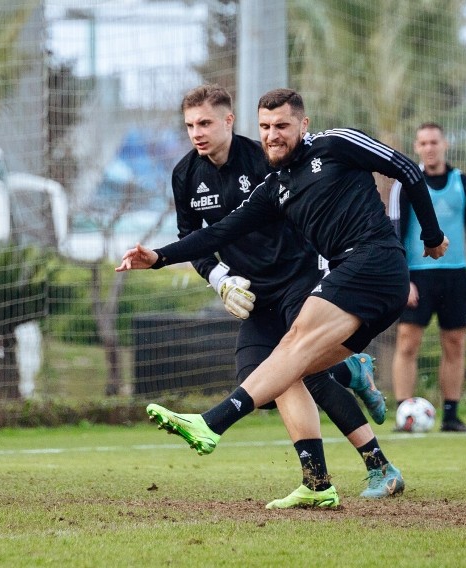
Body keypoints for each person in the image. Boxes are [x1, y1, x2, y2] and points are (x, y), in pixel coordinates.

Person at [117, 88, 447, 506]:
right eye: (267, 127)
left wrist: (432, 237)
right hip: (337, 281)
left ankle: (211, 423)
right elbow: (218, 233)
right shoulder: (274, 187)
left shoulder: (335, 143)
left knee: (290, 348)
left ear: (303, 125)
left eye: (282, 126)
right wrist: (159, 256)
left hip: (371, 264)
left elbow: (407, 171)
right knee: (287, 369)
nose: (273, 135)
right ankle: (318, 483)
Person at [171, 84, 397, 507]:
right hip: (251, 292)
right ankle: (348, 379)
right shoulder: (185, 174)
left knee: (301, 369)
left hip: (298, 278)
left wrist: (328, 267)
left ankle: (371, 466)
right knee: (261, 378)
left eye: (204, 123)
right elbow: (195, 238)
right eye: (189, 125)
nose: (196, 133)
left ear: (228, 121)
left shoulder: (265, 154)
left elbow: (310, 208)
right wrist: (220, 277)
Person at [388, 122, 466, 433]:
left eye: (434, 142)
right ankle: (405, 413)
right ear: (416, 148)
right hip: (417, 276)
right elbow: (396, 233)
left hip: (456, 276)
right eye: (423, 143)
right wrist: (403, 280)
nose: (429, 148)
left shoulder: (465, 184)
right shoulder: (405, 184)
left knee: (455, 343)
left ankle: (451, 415)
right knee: (408, 342)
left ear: (444, 144)